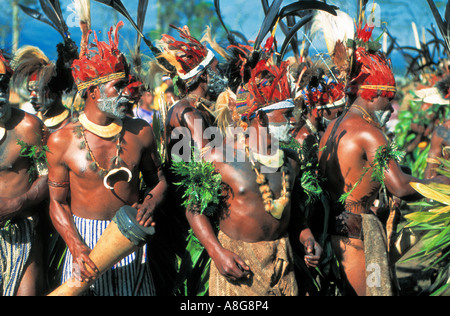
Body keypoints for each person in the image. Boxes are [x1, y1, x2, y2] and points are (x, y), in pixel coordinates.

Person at [318, 24, 450, 296]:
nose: (390, 108)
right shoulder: (369, 132)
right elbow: (399, 185)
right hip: (357, 237)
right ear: (372, 94)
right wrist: (434, 184)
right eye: (387, 99)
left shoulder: (333, 127)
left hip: (333, 232)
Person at [46, 22, 167, 296]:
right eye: (119, 86)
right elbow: (57, 202)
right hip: (83, 242)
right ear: (93, 91)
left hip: (130, 238)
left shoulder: (140, 131)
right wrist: (76, 245)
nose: (128, 92)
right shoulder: (61, 140)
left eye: (128, 84)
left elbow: (159, 182)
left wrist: (150, 202)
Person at [187, 59, 322, 296]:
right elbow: (193, 209)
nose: (294, 121)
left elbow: (293, 208)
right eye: (287, 114)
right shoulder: (221, 158)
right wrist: (217, 253)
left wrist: (307, 236)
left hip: (282, 262)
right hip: (238, 265)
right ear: (261, 118)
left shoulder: (290, 160)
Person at [0, 50, 49, 296]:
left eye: (1, 86)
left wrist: (18, 203)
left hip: (23, 231)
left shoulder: (28, 127)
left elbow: (49, 177)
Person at [11, 39, 78, 134]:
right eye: (30, 91)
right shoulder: (28, 123)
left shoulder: (76, 123)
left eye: (39, 90)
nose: (32, 97)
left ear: (55, 89)